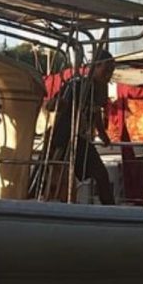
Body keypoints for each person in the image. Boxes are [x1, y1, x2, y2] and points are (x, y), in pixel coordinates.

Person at [46, 49, 116, 205]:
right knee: (60, 178)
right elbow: (53, 105)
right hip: (64, 139)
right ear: (96, 67)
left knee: (101, 175)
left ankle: (109, 210)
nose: (109, 74)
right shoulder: (78, 85)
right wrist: (60, 104)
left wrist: (102, 134)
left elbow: (95, 111)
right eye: (106, 69)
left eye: (111, 70)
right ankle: (59, 205)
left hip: (81, 140)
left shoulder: (100, 90)